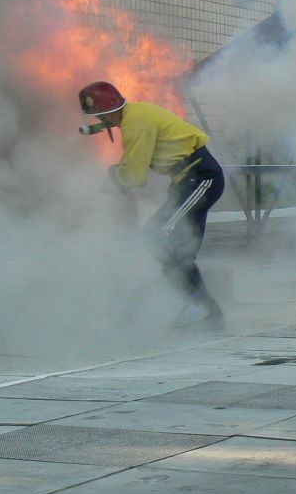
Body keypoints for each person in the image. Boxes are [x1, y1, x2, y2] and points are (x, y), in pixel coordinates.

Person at [78, 81, 226, 329]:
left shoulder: (135, 124)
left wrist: (115, 176)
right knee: (174, 249)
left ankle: (200, 306)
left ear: (106, 111)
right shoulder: (135, 113)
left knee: (159, 235)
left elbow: (135, 177)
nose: (105, 123)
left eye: (101, 117)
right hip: (187, 181)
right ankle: (201, 308)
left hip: (200, 179)